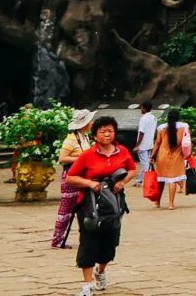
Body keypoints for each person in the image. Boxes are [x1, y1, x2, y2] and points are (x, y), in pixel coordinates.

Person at [67, 114, 135, 296]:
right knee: (88, 242)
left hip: (113, 203)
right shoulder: (87, 155)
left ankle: (101, 271)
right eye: (102, 131)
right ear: (95, 135)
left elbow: (132, 169)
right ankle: (87, 284)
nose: (107, 134)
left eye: (110, 131)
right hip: (89, 204)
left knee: (109, 242)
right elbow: (70, 177)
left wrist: (123, 182)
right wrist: (90, 184)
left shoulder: (122, 152)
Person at [52, 109, 96, 248]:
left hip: (83, 177)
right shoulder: (71, 139)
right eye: (89, 121)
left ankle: (85, 236)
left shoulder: (86, 138)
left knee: (84, 207)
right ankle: (57, 239)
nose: (92, 123)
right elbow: (62, 158)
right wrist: (80, 159)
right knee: (66, 209)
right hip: (71, 176)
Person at [152, 108, 191, 209]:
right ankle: (171, 204)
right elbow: (187, 141)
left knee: (160, 180)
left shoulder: (161, 128)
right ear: (178, 117)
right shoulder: (184, 126)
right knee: (172, 180)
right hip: (177, 156)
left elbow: (157, 143)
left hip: (162, 155)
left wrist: (152, 156)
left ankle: (157, 202)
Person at [134, 102, 156, 175]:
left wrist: (137, 146)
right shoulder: (154, 118)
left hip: (143, 145)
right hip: (150, 144)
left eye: (141, 108)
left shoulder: (143, 119)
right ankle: (139, 181)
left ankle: (148, 179)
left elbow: (141, 133)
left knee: (145, 164)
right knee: (147, 163)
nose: (141, 109)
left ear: (144, 108)